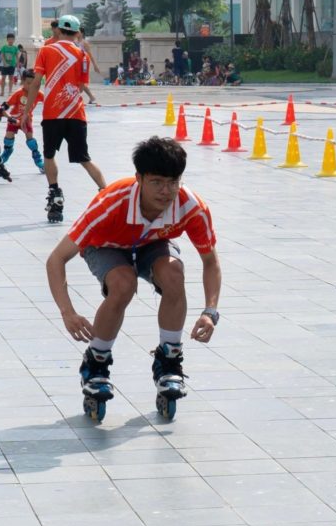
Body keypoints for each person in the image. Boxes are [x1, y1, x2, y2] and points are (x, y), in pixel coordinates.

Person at [45, 136, 221, 421]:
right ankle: (97, 361)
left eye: (173, 182)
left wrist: (210, 311)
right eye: (156, 183)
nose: (166, 192)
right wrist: (67, 312)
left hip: (152, 242)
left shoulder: (191, 206)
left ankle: (169, 360)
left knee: (174, 273)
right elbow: (56, 259)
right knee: (123, 284)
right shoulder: (110, 203)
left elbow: (210, 261)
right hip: (106, 245)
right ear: (139, 178)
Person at [20, 15, 107, 223]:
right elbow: (80, 85)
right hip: (76, 114)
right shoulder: (82, 55)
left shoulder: (46, 50)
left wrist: (26, 112)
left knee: (49, 155)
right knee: (84, 158)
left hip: (52, 114)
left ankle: (55, 193)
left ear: (58, 30)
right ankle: (106, 194)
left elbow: (35, 84)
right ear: (77, 33)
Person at [0, 69, 45, 172]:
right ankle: (6, 153)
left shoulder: (38, 94)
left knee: (31, 141)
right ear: (23, 82)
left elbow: (48, 102)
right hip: (14, 119)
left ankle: (39, 162)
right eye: (28, 83)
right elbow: (7, 104)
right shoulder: (18, 93)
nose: (30, 86)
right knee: (8, 138)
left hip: (27, 120)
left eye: (33, 84)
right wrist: (0, 111)